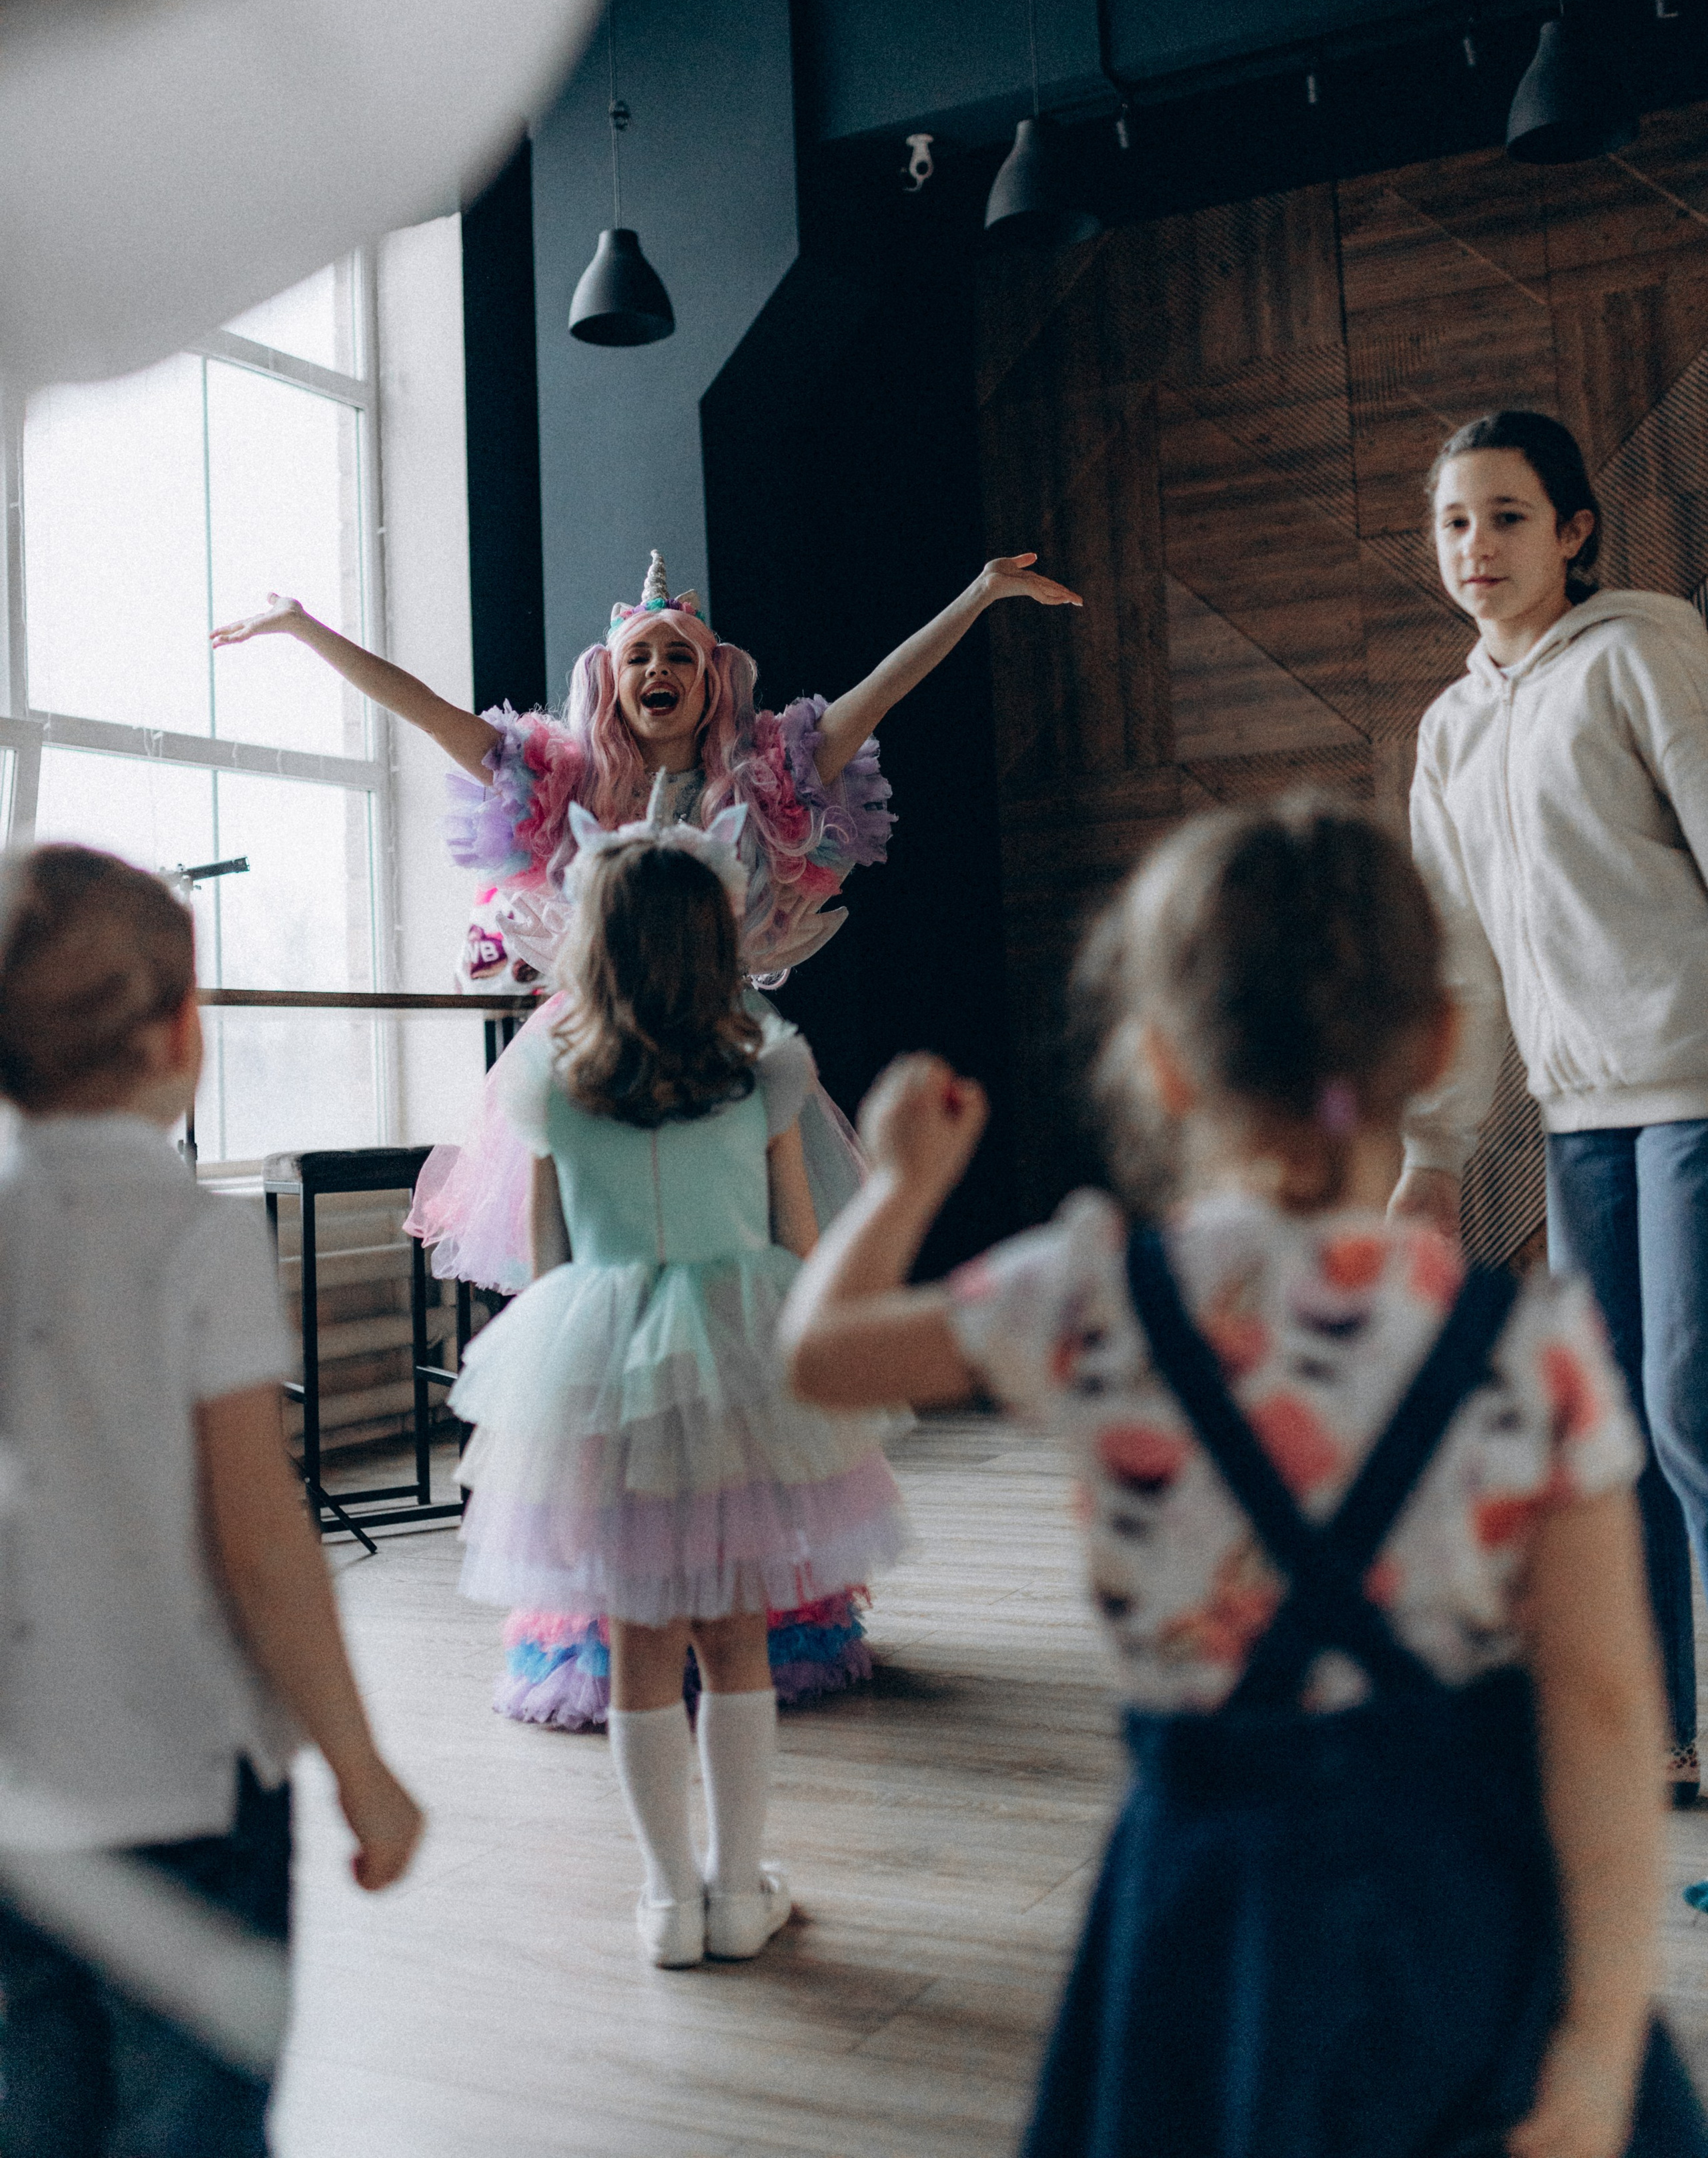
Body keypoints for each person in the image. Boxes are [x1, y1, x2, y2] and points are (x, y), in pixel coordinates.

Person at [781, 795, 1703, 2158]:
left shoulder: (1088, 1298)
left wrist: (900, 1185)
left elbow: (817, 1357)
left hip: (1210, 1919)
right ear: (1440, 1043)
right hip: (1463, 1914)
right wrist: (1592, 2037)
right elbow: (1608, 1710)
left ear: (1157, 1063)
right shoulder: (1528, 1347)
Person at [212, 545, 1078, 1726]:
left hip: (720, 1058)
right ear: (608, 683)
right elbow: (432, 718)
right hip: (592, 1065)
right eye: (638, 655)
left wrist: (975, 600)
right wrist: (311, 632)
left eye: (680, 652)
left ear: (713, 679)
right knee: (601, 1347)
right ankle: (609, 1612)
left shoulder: (764, 781)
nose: (660, 666)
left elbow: (879, 693)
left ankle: (764, 1605)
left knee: (735, 1344)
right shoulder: (561, 777)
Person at [0, 845, 423, 2157]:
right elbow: (262, 1545)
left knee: (39, 2110)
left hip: (18, 1803)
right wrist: (359, 1766)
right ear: (182, 1029)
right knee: (194, 2118)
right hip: (188, 1787)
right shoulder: (197, 1239)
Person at [446, 790, 908, 1968]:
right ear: (718, 946)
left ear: (591, 946)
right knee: (735, 1635)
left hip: (594, 1363)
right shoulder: (766, 1073)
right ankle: (736, 1886)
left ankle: (665, 1902)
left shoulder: (548, 1084)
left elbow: (547, 1267)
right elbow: (800, 1246)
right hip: (741, 1353)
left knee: (639, 1642)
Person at [1388, 408, 1708, 1808]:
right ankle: (1660, 1733)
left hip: (1697, 1086)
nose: (1476, 548)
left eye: (1507, 517)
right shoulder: (1448, 729)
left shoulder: (1642, 654)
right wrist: (1432, 1149)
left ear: (1572, 532)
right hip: (1577, 1117)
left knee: (1693, 1411)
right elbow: (1453, 956)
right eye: (1454, 522)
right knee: (1614, 1432)